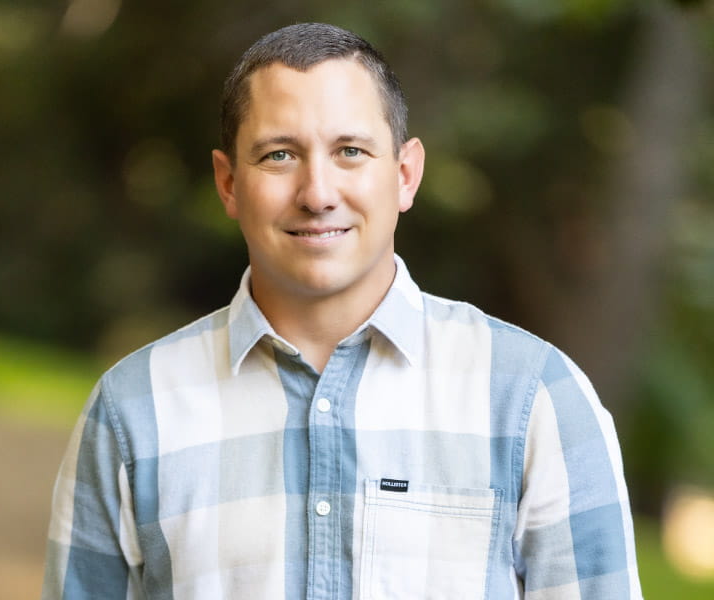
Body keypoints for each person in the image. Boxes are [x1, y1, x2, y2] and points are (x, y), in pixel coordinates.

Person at [42, 22, 642, 599]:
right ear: (228, 183)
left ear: (405, 175)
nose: (318, 194)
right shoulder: (131, 412)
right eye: (279, 155)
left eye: (350, 151)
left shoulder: (533, 398)